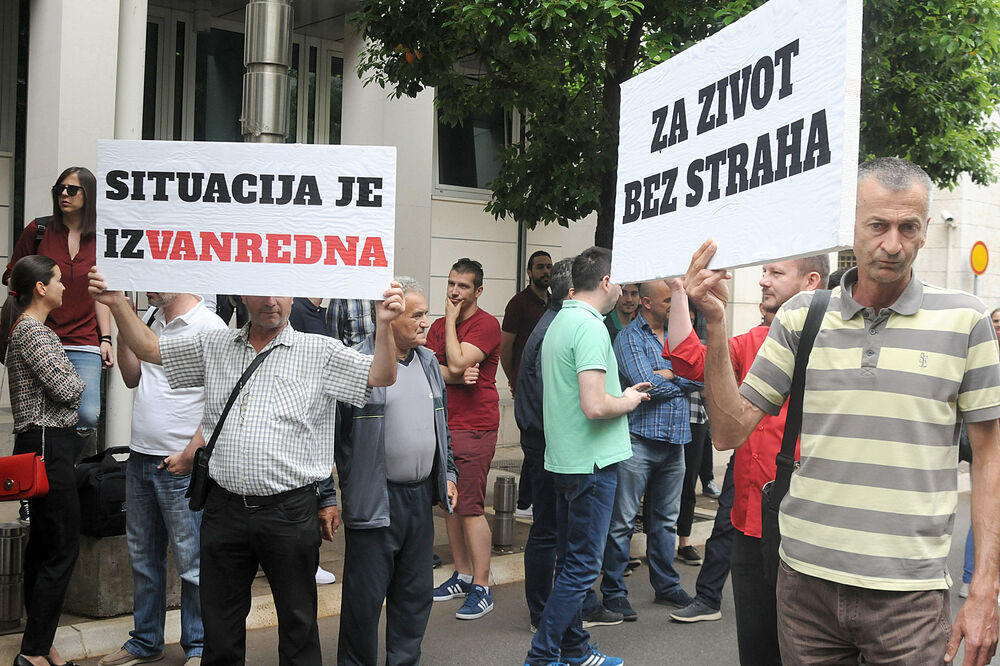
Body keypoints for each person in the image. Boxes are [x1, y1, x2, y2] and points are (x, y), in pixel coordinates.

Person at [687, 157, 1000, 665]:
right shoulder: (802, 314)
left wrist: (985, 587)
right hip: (805, 589)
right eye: (877, 225)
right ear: (850, 227)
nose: (892, 244)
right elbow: (726, 430)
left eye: (908, 228)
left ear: (923, 233)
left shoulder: (965, 321)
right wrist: (716, 324)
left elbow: (991, 458)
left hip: (910, 599)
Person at [88, 268, 404, 666]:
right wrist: (117, 303)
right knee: (220, 629)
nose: (271, 300)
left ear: (294, 297)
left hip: (290, 514)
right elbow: (152, 349)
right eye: (260, 290)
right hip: (224, 512)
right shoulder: (215, 344)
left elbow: (381, 375)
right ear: (241, 295)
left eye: (281, 291)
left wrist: (386, 325)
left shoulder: (319, 351)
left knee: (298, 625)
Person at [665, 258, 827, 663]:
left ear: (811, 281)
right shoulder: (753, 339)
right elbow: (689, 358)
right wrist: (681, 293)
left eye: (775, 273)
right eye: (764, 272)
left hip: (805, 521)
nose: (762, 280)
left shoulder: (835, 341)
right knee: (756, 645)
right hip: (750, 514)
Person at [524, 246, 651, 666]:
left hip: (566, 461)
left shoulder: (559, 320)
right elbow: (595, 406)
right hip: (592, 465)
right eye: (623, 283)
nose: (626, 292)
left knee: (569, 563)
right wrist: (630, 399)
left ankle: (574, 649)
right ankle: (542, 657)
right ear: (607, 282)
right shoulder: (592, 327)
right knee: (580, 568)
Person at [327, 277, 459, 665]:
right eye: (417, 315)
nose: (425, 323)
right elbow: (329, 437)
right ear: (390, 317)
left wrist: (448, 474)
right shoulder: (356, 362)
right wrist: (326, 496)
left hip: (420, 500)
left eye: (425, 314)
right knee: (364, 603)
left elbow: (443, 429)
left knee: (414, 597)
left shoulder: (430, 362)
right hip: (374, 501)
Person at [99, 293, 225, 666]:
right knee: (143, 556)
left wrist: (191, 454)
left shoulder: (209, 325)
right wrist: (125, 327)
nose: (146, 287)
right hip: (141, 456)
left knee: (192, 562)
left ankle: (199, 646)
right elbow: (132, 375)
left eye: (153, 276)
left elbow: (219, 401)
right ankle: (145, 640)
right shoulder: (151, 317)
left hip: (180, 463)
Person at [598, 280, 701, 621]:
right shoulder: (628, 337)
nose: (675, 304)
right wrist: (678, 377)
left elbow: (700, 375)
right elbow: (645, 386)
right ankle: (613, 592)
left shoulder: (680, 333)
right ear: (646, 303)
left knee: (665, 522)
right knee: (622, 522)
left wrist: (670, 373)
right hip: (638, 441)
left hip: (675, 441)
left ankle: (667, 586)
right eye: (668, 299)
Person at [1, 255, 85, 666]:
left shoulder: (33, 330)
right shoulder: (33, 332)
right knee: (62, 546)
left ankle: (40, 642)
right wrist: (79, 378)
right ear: (40, 288)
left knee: (44, 545)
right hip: (49, 443)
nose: (64, 287)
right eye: (58, 280)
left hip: (43, 444)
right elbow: (67, 388)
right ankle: (33, 651)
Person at [4, 167, 114, 452]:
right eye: (60, 189)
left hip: (84, 338)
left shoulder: (102, 236)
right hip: (41, 336)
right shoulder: (38, 230)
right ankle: (36, 477)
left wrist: (106, 338)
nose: (64, 194)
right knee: (35, 415)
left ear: (88, 195)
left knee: (87, 414)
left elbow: (103, 293)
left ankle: (75, 475)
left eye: (72, 189)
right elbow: (12, 275)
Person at [427, 258, 502, 621]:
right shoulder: (437, 327)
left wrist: (452, 363)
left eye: (463, 286)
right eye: (451, 284)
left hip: (475, 426)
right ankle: (462, 574)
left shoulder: (487, 325)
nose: (455, 292)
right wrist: (455, 375)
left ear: (478, 291)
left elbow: (454, 362)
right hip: (443, 424)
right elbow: (429, 369)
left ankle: (482, 586)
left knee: (470, 506)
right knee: (449, 504)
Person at [501, 250, 552, 519]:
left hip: (549, 386)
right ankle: (524, 503)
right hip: (526, 387)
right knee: (532, 444)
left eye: (549, 267)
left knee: (545, 445)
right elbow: (506, 347)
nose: (546, 271)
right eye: (540, 267)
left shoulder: (555, 303)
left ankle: (533, 501)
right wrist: (513, 378)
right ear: (529, 272)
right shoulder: (518, 303)